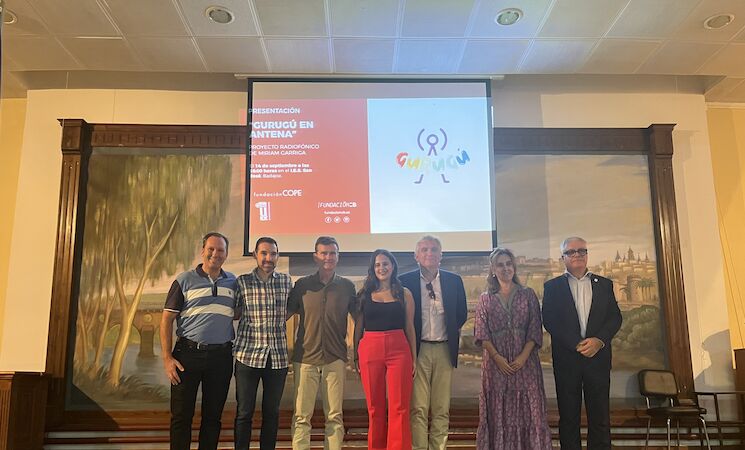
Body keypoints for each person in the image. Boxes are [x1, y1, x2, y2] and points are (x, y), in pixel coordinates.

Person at [542, 237, 623, 450]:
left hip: (598, 359)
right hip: (567, 361)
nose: (577, 255)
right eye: (571, 252)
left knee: (600, 417)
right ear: (563, 258)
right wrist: (576, 344)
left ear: (587, 255)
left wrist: (599, 341)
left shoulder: (604, 284)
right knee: (569, 418)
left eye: (581, 251)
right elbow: (550, 320)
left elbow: (615, 318)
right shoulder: (552, 287)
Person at [160, 232, 237, 450]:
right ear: (202, 251)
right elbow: (166, 320)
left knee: (213, 418)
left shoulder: (234, 282)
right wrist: (167, 358)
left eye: (220, 250)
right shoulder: (184, 280)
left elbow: (238, 312)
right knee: (181, 417)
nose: (215, 254)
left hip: (221, 357)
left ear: (226, 254)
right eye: (211, 249)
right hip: (187, 356)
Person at [474, 248, 552, 449]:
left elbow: (535, 329)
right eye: (500, 265)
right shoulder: (485, 298)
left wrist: (523, 357)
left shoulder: (528, 295)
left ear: (514, 267)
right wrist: (497, 358)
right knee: (498, 412)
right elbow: (481, 333)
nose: (505, 268)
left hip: (526, 365)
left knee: (530, 411)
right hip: (495, 367)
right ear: (493, 269)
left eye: (509, 264)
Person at [287, 236, 358, 450]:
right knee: (301, 416)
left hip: (335, 358)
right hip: (305, 359)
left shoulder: (347, 287)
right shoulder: (302, 285)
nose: (328, 257)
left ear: (338, 256)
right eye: (324, 253)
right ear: (315, 257)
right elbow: (285, 314)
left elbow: (359, 319)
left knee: (334, 416)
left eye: (332, 253)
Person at [399, 235, 467, 450]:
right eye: (425, 250)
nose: (430, 253)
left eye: (434, 249)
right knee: (418, 408)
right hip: (417, 350)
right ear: (416, 256)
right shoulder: (404, 281)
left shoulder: (454, 281)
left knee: (441, 408)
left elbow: (461, 314)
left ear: (441, 255)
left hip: (444, 349)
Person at [354, 249, 417, 450]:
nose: (382, 268)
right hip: (369, 349)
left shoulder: (405, 294)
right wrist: (355, 357)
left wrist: (414, 358)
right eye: (377, 265)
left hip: (399, 350)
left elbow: (409, 327)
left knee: (400, 407)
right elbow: (358, 328)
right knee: (375, 408)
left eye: (385, 264)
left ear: (393, 266)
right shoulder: (364, 294)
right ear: (373, 269)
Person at [233, 237, 293, 450]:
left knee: (272, 413)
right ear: (255, 255)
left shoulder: (286, 281)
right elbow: (235, 312)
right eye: (264, 253)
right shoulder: (242, 282)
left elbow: (291, 309)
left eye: (273, 254)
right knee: (244, 413)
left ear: (277, 256)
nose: (269, 258)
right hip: (247, 356)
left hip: (277, 358)